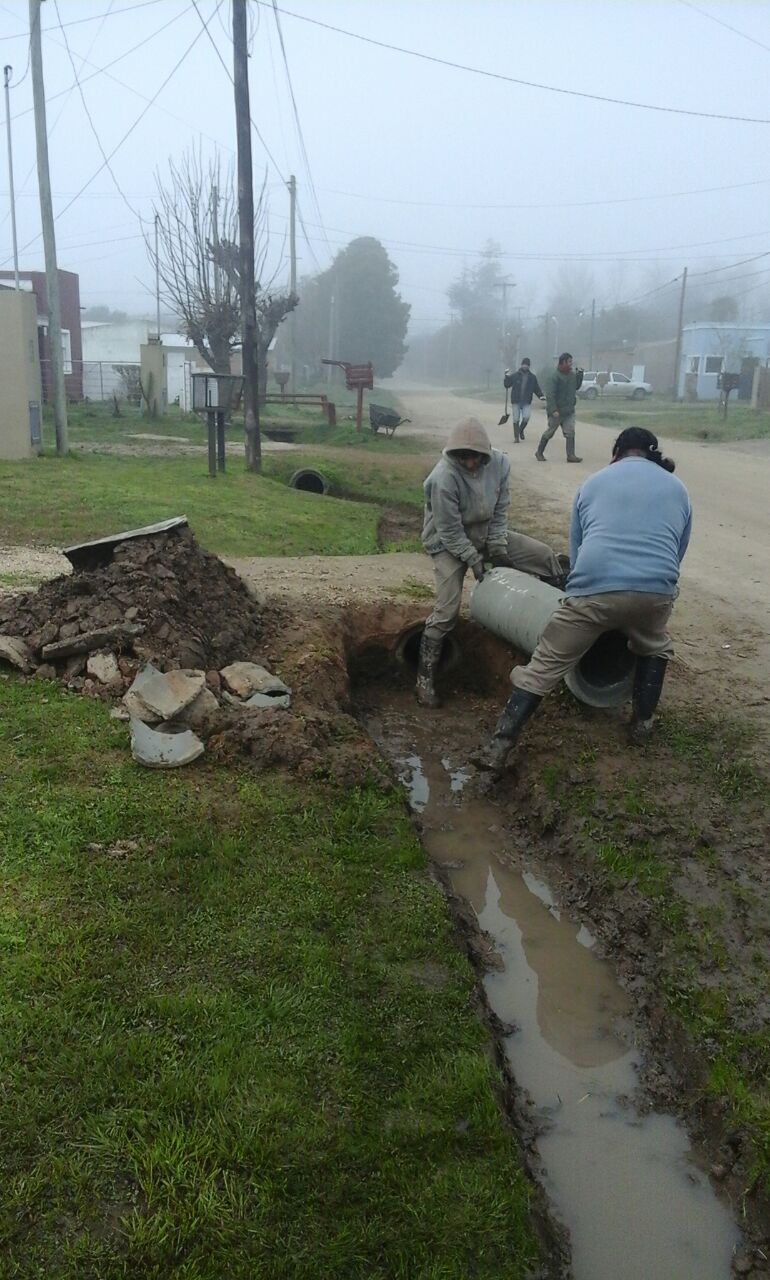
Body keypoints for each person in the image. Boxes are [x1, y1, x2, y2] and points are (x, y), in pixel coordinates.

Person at [481, 427, 692, 768]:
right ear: (651, 454)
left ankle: (499, 745)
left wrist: (584, 599)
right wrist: (651, 590)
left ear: (617, 453)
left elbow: (577, 556)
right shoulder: (678, 488)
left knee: (546, 663)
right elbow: (677, 550)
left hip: (594, 591)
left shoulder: (593, 483)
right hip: (656, 591)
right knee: (655, 645)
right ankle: (642, 724)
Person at [416, 416, 568, 708]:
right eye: (464, 458)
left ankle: (561, 632)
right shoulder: (442, 478)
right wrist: (472, 559)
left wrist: (497, 547)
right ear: (454, 455)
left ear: (485, 454)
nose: (470, 464)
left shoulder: (500, 464)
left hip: (485, 532)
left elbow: (500, 511)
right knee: (447, 611)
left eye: (475, 457)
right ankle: (424, 680)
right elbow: (448, 531)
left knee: (544, 557)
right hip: (447, 543)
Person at [536, 352, 584, 463]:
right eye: (569, 362)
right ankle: (539, 452)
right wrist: (553, 410)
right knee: (550, 431)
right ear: (563, 362)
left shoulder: (572, 375)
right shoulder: (554, 377)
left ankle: (571, 455)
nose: (571, 364)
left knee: (570, 431)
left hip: (569, 410)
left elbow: (576, 386)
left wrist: (580, 375)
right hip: (557, 411)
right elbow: (550, 395)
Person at [503, 357, 545, 443]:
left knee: (526, 417)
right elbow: (507, 385)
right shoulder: (515, 375)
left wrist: (541, 396)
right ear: (521, 365)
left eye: (527, 365)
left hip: (526, 401)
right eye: (524, 364)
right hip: (516, 400)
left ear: (529, 366)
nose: (525, 366)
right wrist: (506, 377)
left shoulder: (532, 377)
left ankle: (520, 430)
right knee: (516, 419)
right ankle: (516, 437)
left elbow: (536, 388)